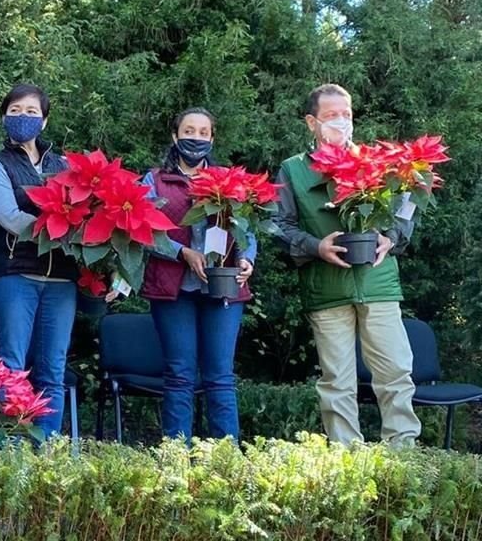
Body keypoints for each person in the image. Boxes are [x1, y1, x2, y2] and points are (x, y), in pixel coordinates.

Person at [275, 83, 420, 447]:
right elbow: (280, 225)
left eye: (346, 115)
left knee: (395, 372)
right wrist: (315, 246)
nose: (341, 122)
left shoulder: (377, 163)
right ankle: (346, 460)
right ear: (312, 122)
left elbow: (405, 209)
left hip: (378, 282)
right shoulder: (293, 170)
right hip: (326, 288)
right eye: (331, 116)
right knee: (336, 380)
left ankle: (402, 455)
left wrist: (392, 237)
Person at [140, 107, 255, 441]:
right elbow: (143, 230)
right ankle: (176, 457)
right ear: (175, 136)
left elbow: (249, 228)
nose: (196, 138)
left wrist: (247, 258)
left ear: (212, 138)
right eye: (189, 131)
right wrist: (182, 253)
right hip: (172, 289)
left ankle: (225, 459)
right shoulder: (154, 180)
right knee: (179, 374)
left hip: (225, 287)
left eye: (203, 133)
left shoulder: (229, 181)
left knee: (220, 376)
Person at [0, 83, 84, 439]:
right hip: (15, 274)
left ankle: (47, 454)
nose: (22, 118)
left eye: (31, 112)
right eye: (15, 111)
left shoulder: (68, 167)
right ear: (4, 117)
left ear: (44, 121)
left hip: (62, 282)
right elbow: (8, 215)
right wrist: (60, 233)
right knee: (10, 365)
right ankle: (8, 451)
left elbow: (88, 213)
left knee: (52, 372)